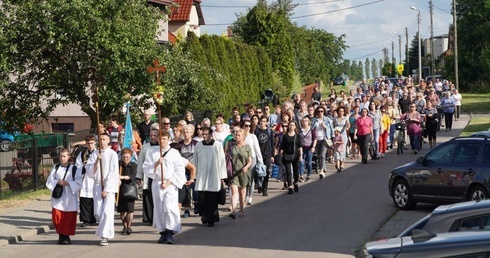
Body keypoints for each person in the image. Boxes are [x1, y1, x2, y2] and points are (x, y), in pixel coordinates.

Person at [142, 130, 186, 244]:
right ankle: (162, 232)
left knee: (169, 208)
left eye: (164, 139)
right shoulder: (153, 152)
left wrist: (169, 182)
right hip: (157, 183)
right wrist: (157, 163)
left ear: (168, 139)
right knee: (159, 208)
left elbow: (180, 170)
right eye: (160, 139)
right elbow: (146, 168)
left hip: (170, 185)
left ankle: (169, 231)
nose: (162, 141)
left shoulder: (174, 153)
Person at [85, 133, 120, 246]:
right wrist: (96, 161)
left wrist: (107, 188)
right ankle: (104, 231)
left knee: (106, 212)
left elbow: (113, 172)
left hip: (108, 187)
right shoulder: (95, 154)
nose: (102, 141)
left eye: (104, 139)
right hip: (97, 184)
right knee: (98, 212)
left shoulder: (112, 154)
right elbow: (89, 171)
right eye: (100, 139)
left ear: (108, 140)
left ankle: (105, 235)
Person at [192, 127, 227, 227]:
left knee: (212, 199)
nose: (204, 136)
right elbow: (195, 160)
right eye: (203, 134)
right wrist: (194, 175)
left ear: (211, 135)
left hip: (214, 175)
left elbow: (222, 162)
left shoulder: (217, 145)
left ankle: (211, 219)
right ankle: (204, 215)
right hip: (202, 175)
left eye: (206, 134)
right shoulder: (198, 145)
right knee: (202, 198)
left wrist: (222, 177)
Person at [46, 148, 82, 245]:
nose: (62, 158)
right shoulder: (56, 167)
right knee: (56, 217)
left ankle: (65, 237)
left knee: (68, 218)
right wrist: (56, 182)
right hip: (58, 197)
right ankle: (61, 235)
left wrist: (68, 183)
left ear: (68, 157)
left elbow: (79, 183)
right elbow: (49, 181)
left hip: (69, 197)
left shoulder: (74, 169)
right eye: (61, 156)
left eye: (64, 156)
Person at [136, 126, 159, 224]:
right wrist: (138, 176)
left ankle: (157, 218)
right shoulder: (145, 147)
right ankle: (149, 218)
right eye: (151, 136)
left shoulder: (162, 147)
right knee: (148, 197)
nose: (153, 137)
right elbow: (141, 161)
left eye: (155, 136)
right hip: (148, 175)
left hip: (158, 176)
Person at [228, 128, 252, 219]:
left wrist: (246, 167)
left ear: (243, 137)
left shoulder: (247, 147)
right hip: (234, 172)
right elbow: (227, 158)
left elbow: (250, 160)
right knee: (234, 191)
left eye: (239, 135)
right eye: (236, 135)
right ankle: (234, 211)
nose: (236, 137)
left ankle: (241, 209)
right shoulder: (231, 146)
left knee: (241, 192)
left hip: (243, 172)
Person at [75, 134, 97, 228]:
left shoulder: (98, 153)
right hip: (86, 179)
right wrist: (82, 169)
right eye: (88, 143)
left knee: (94, 200)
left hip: (95, 179)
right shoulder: (82, 153)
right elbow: (78, 165)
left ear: (95, 143)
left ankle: (93, 218)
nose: (90, 145)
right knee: (84, 199)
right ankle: (85, 219)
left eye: (92, 143)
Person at [178, 124, 198, 217]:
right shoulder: (180, 144)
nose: (185, 134)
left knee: (194, 188)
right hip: (183, 169)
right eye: (184, 132)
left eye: (187, 132)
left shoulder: (196, 143)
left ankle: (196, 203)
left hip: (193, 168)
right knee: (185, 188)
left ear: (191, 133)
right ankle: (186, 210)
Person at [242, 120, 263, 205]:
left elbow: (257, 149)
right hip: (242, 158)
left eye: (249, 126)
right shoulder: (240, 136)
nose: (247, 128)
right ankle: (244, 195)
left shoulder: (253, 137)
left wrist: (260, 161)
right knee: (244, 178)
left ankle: (250, 196)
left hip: (252, 158)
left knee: (251, 178)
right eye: (246, 125)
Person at [117, 148, 137, 235]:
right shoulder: (118, 165)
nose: (126, 159)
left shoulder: (134, 165)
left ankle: (129, 226)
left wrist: (122, 177)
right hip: (119, 190)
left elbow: (133, 176)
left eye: (127, 157)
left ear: (131, 157)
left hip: (129, 189)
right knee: (122, 210)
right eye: (124, 157)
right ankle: (124, 226)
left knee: (130, 210)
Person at [280, 121, 302, 194]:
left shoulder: (297, 136)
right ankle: (290, 186)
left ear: (295, 127)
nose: (291, 127)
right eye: (290, 125)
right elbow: (282, 146)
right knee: (288, 172)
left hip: (295, 156)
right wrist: (280, 153)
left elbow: (300, 146)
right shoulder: (285, 136)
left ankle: (295, 182)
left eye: (293, 125)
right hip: (287, 155)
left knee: (296, 173)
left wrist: (301, 155)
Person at [255, 116, 275, 195]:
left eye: (264, 121)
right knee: (258, 171)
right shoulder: (257, 131)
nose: (262, 123)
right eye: (261, 121)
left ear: (266, 122)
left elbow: (272, 143)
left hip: (267, 153)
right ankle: (259, 185)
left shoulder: (269, 131)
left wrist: (272, 155)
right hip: (259, 154)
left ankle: (265, 188)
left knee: (266, 171)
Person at [312, 105, 334, 178]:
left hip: (324, 139)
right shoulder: (314, 120)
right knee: (318, 155)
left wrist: (325, 127)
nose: (320, 113)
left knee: (322, 154)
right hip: (316, 139)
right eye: (319, 111)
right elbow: (311, 129)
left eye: (322, 111)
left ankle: (321, 170)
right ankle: (322, 167)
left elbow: (331, 129)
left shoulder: (327, 119)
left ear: (324, 112)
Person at [299, 116, 316, 182]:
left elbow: (315, 139)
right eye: (303, 121)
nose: (304, 122)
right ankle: (301, 176)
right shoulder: (300, 130)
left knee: (309, 163)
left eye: (306, 121)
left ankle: (308, 175)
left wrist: (313, 147)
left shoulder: (311, 130)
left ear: (308, 122)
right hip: (301, 148)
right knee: (301, 162)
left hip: (309, 148)